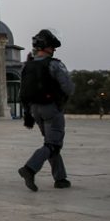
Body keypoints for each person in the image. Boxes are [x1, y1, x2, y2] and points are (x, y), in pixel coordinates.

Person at [18, 29, 74, 191]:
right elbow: (68, 88)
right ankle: (29, 169)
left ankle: (60, 178)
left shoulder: (27, 66)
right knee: (53, 144)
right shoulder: (54, 64)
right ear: (47, 47)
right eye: (52, 47)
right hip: (50, 108)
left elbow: (23, 92)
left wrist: (27, 113)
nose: (54, 50)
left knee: (50, 143)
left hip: (35, 110)